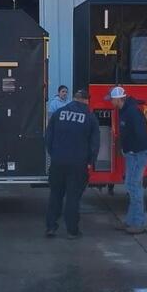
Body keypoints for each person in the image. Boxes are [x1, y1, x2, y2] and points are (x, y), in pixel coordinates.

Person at [44, 89, 99, 239]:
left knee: (55, 195)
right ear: (87, 100)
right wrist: (90, 162)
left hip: (58, 162)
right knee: (73, 197)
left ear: (74, 98)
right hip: (78, 164)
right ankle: (72, 231)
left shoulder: (59, 113)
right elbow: (94, 144)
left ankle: (51, 227)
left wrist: (54, 154)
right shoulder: (90, 117)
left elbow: (48, 137)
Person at [106, 86, 147, 234]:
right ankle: (132, 221)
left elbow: (140, 133)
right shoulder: (126, 110)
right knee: (132, 186)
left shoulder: (131, 112)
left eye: (112, 99)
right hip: (134, 154)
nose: (110, 102)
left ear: (119, 99)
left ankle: (140, 223)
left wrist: (131, 149)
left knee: (134, 187)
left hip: (137, 154)